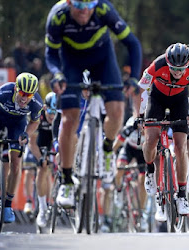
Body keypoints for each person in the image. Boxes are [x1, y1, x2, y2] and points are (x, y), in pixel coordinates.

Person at [44, 0, 142, 207]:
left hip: (102, 60)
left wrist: (133, 77)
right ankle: (67, 180)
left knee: (116, 111)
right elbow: (51, 53)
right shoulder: (58, 16)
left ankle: (107, 149)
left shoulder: (104, 10)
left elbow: (132, 43)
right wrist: (57, 74)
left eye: (89, 5)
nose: (85, 11)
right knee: (70, 118)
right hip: (70, 62)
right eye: (79, 6)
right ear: (69, 4)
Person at [133, 42, 189, 217]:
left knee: (180, 147)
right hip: (156, 100)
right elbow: (139, 91)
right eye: (174, 69)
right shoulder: (156, 66)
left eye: (181, 69)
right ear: (167, 62)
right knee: (150, 140)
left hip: (179, 102)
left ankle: (181, 195)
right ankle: (150, 171)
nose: (178, 72)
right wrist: (139, 115)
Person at [0, 72, 43, 223]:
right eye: (22, 93)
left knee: (16, 164)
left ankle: (7, 205)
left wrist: (26, 134)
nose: (25, 98)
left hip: (17, 124)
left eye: (29, 95)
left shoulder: (36, 102)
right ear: (16, 89)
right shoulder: (4, 91)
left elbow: (35, 121)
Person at [25, 92, 57, 228]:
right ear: (45, 108)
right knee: (41, 168)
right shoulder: (38, 115)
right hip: (38, 141)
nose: (52, 115)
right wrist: (41, 158)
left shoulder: (60, 117)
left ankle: (52, 202)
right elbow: (32, 143)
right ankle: (41, 207)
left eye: (55, 112)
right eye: (50, 111)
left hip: (54, 139)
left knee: (51, 170)